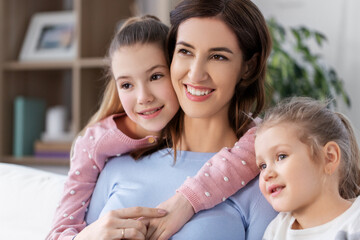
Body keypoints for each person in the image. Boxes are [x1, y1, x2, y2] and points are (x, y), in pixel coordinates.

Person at [47, 13, 262, 240]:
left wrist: (188, 199)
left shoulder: (253, 166)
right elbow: (59, 230)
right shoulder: (101, 150)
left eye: (156, 76)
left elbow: (260, 139)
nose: (144, 97)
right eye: (127, 84)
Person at [255, 97, 360, 240]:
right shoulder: (277, 230)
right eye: (263, 165)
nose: (266, 174)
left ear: (329, 157)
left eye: (281, 156)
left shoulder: (355, 223)